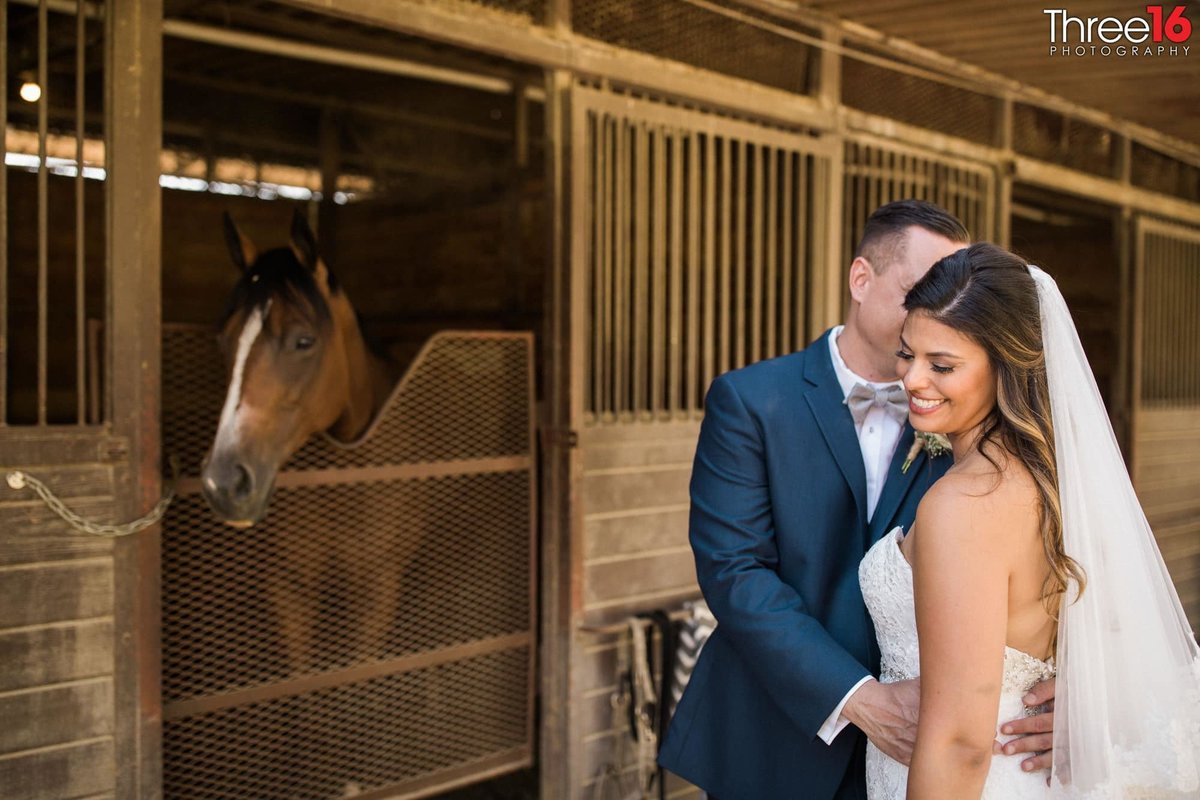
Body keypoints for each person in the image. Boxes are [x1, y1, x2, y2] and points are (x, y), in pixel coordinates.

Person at [658, 201, 1055, 800]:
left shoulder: (971, 414)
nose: (942, 305)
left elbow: (1052, 570)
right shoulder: (751, 400)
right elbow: (734, 570)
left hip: (939, 742)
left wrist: (1075, 689)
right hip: (779, 730)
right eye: (923, 286)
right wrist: (859, 698)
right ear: (861, 279)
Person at [861, 243, 1200, 798]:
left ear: (1006, 367)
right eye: (907, 354)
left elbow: (960, 744)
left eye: (942, 365)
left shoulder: (963, 506)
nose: (913, 380)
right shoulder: (1054, 482)